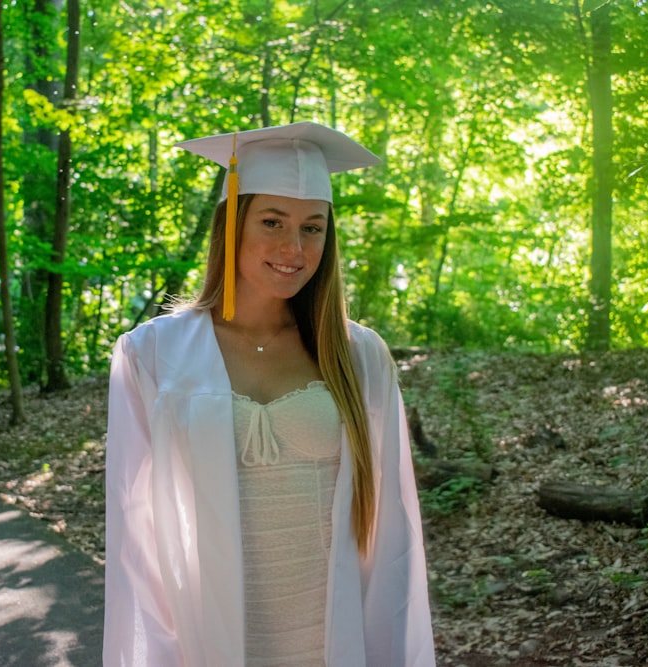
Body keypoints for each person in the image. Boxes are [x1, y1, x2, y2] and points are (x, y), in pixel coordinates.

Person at [103, 122, 435, 667]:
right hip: (210, 636)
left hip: (330, 636)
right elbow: (135, 531)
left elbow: (390, 530)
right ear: (232, 225)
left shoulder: (358, 356)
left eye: (313, 227)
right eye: (272, 222)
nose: (293, 247)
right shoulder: (153, 353)